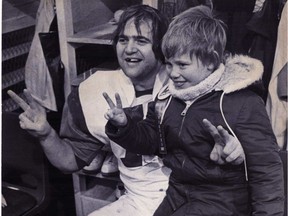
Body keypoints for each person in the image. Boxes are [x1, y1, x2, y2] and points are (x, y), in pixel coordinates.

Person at [8, 5, 245, 216]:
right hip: (138, 202)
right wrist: (45, 134)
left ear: (161, 47)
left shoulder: (191, 82)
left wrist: (236, 151)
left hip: (193, 199)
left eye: (141, 41)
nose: (129, 49)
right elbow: (69, 162)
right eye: (123, 40)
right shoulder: (93, 89)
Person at [104, 5, 285, 216]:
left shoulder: (242, 103)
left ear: (210, 61)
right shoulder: (169, 97)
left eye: (182, 65)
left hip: (223, 199)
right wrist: (125, 126)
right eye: (169, 64)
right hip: (178, 191)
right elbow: (152, 140)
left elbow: (267, 171)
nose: (173, 73)